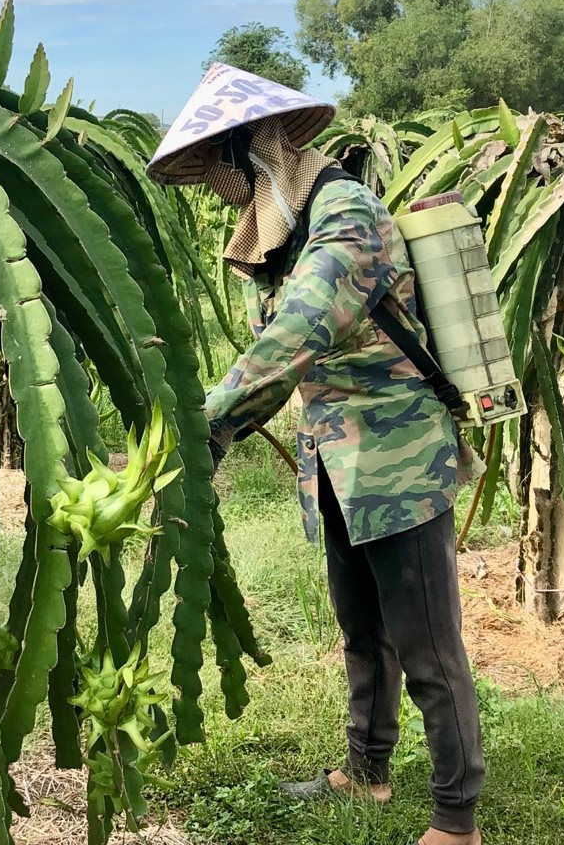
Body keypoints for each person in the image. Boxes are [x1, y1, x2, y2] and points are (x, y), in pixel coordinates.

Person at [147, 64, 486, 845]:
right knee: (361, 629)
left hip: (397, 457)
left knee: (427, 645)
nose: (219, 193)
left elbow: (301, 329)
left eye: (220, 172)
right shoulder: (291, 229)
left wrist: (210, 424)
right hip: (336, 459)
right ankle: (365, 771)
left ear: (254, 150)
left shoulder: (344, 214)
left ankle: (455, 818)